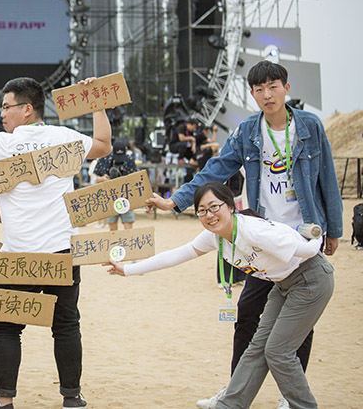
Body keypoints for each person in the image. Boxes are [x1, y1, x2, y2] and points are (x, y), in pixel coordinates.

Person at [146, 60, 343, 409]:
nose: (267, 95)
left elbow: (327, 177)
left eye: (273, 86)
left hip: (302, 237)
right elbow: (215, 170)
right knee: (247, 314)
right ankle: (234, 392)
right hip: (263, 237)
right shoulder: (248, 131)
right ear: (252, 94)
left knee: (299, 324)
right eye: (259, 89)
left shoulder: (309, 126)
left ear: (286, 88)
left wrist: (335, 230)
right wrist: (175, 200)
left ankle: (289, 396)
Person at [0, 76, 112, 409]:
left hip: (18, 256)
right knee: (66, 325)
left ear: (27, 109)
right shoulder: (63, 136)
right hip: (62, 251)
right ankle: (72, 398)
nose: (2, 113)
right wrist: (97, 103)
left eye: (7, 107)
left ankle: (4, 401)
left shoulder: (1, 143)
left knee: (6, 329)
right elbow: (104, 145)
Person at [107, 181, 334, 408]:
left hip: (310, 279)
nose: (209, 215)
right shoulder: (214, 236)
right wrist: (127, 270)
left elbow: (309, 249)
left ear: (231, 207)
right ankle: (230, 405)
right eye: (202, 210)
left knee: (278, 351)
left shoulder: (254, 231)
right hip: (282, 284)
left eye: (215, 207)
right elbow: (176, 255)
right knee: (257, 348)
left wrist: (317, 236)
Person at [94, 138, 138, 231]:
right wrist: (103, 179)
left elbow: (136, 179)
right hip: (110, 197)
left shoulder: (129, 159)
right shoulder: (104, 159)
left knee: (128, 229)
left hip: (127, 197)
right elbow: (96, 179)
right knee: (113, 230)